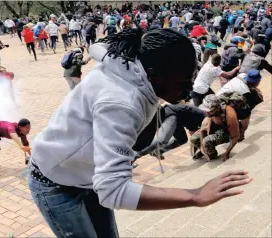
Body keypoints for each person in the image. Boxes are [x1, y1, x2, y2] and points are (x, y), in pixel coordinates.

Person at [28, 28, 251, 237]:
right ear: (153, 75)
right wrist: (195, 195)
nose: (190, 87)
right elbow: (113, 190)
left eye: (192, 78)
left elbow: (99, 49)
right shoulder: (122, 103)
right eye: (183, 82)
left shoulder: (132, 64)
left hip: (87, 177)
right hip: (55, 182)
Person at [133, 104, 205, 162]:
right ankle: (134, 155)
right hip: (170, 115)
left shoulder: (196, 116)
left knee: (182, 139)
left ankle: (158, 151)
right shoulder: (204, 116)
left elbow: (192, 132)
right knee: (161, 140)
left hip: (177, 119)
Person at [216, 69, 264, 140]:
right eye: (259, 81)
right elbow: (248, 104)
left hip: (219, 96)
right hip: (221, 104)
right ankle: (240, 133)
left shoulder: (242, 75)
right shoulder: (245, 91)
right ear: (255, 82)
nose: (259, 82)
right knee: (247, 113)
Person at [190, 94, 240, 162]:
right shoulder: (210, 113)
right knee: (194, 138)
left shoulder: (230, 115)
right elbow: (203, 130)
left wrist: (227, 153)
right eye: (207, 111)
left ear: (217, 108)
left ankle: (212, 155)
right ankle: (207, 151)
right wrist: (203, 148)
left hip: (227, 132)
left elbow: (235, 137)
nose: (208, 113)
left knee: (207, 140)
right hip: (217, 128)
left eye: (210, 111)